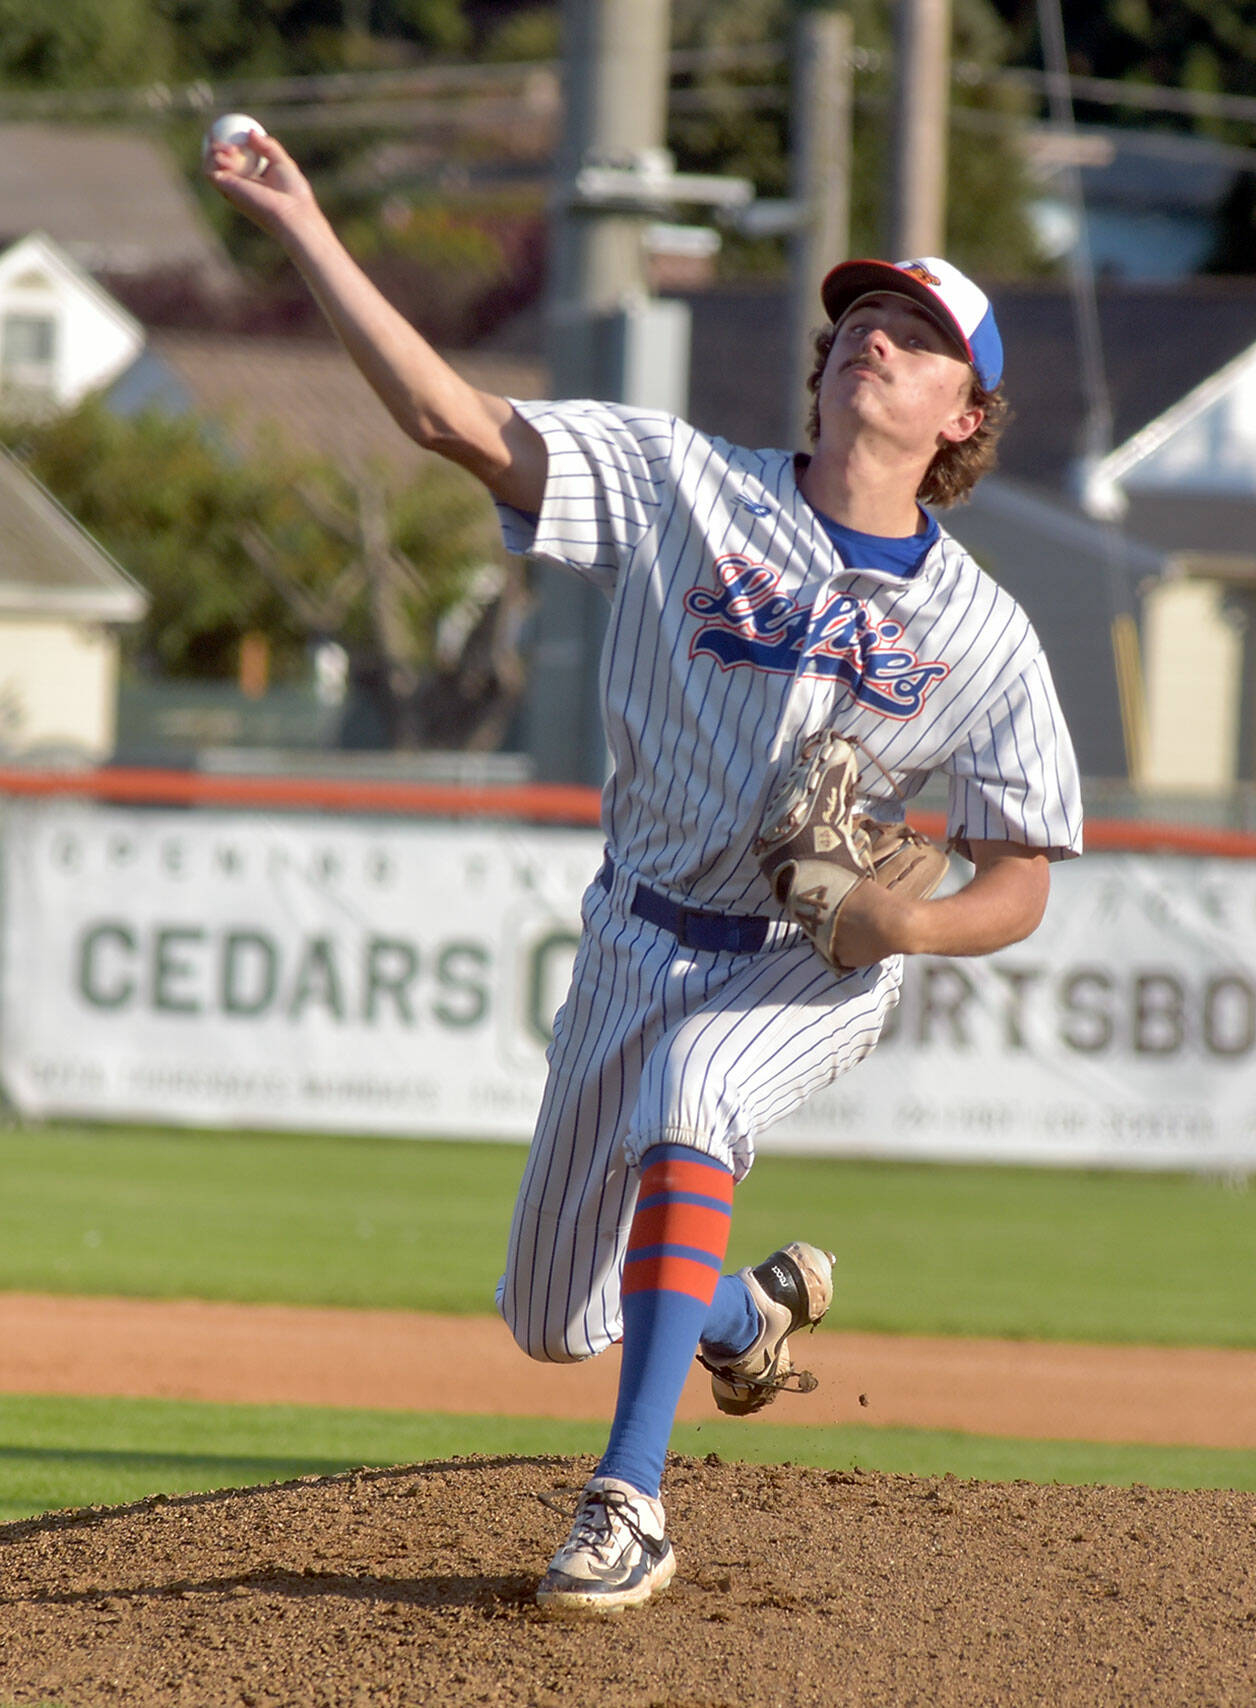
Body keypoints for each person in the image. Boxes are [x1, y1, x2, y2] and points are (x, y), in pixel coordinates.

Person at [208, 133, 1082, 1615]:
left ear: (964, 414)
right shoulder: (680, 484)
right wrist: (303, 222)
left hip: (809, 958)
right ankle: (740, 1312)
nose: (881, 336)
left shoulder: (987, 634)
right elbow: (446, 418)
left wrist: (911, 922)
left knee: (698, 1091)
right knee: (555, 1318)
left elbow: (1024, 875)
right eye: (866, 317)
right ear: (821, 365)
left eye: (923, 335)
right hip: (633, 934)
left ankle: (630, 1503)